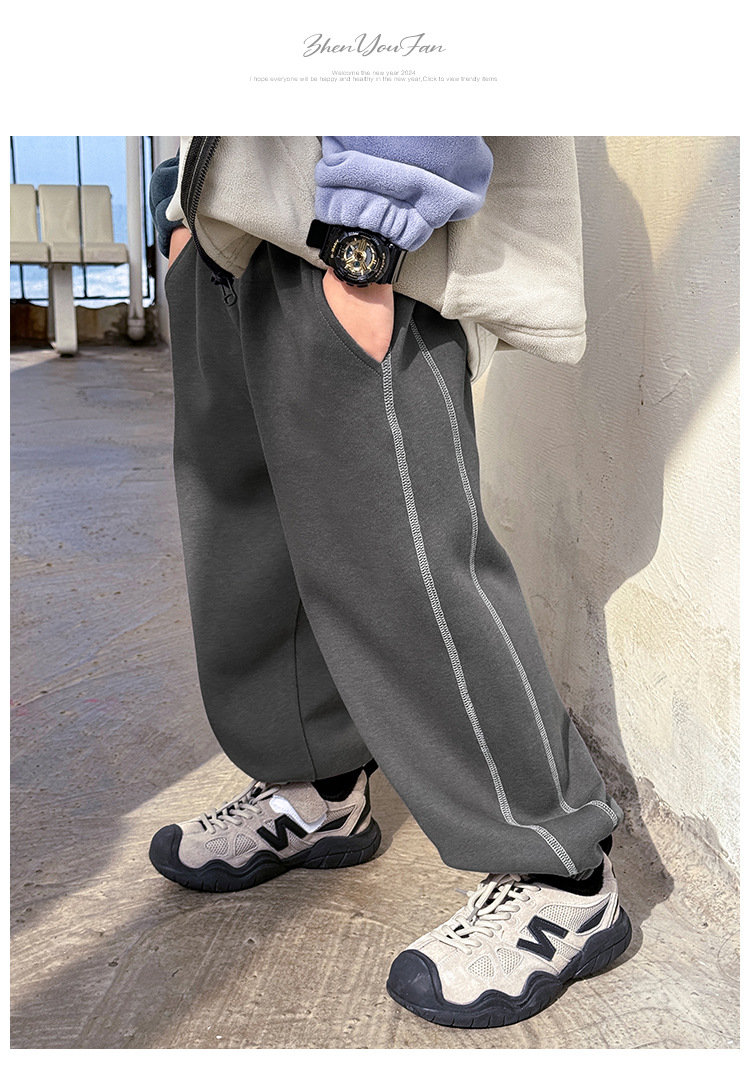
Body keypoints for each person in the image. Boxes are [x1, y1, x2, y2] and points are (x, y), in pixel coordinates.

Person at [147, 136, 632, 1030]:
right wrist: (180, 203)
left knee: (402, 556)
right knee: (250, 541)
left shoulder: (362, 233)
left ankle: (559, 869)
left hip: (345, 225)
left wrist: (369, 235)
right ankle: (318, 791)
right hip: (227, 221)